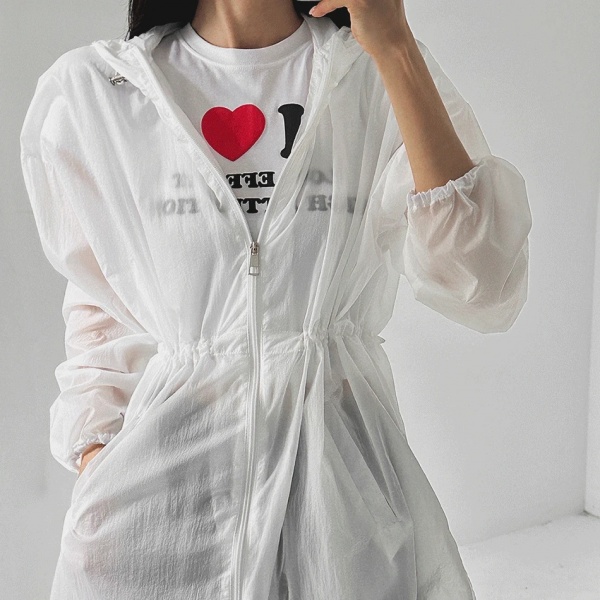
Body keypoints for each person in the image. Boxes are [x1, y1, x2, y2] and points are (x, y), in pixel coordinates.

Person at [19, 0, 532, 598]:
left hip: (339, 507)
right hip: (166, 499)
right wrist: (97, 457)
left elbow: (482, 279)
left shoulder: (370, 72)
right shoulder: (102, 91)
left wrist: (395, 47)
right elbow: (101, 308)